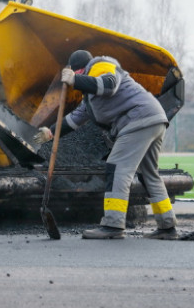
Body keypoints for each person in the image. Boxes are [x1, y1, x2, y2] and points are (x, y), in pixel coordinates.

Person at [33, 49, 177, 240]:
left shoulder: (101, 64)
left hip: (138, 120)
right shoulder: (91, 97)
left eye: (76, 75)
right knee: (148, 174)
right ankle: (167, 227)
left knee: (117, 168)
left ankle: (113, 224)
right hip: (152, 119)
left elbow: (109, 85)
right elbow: (76, 118)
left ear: (80, 70)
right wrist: (51, 132)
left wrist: (76, 81)